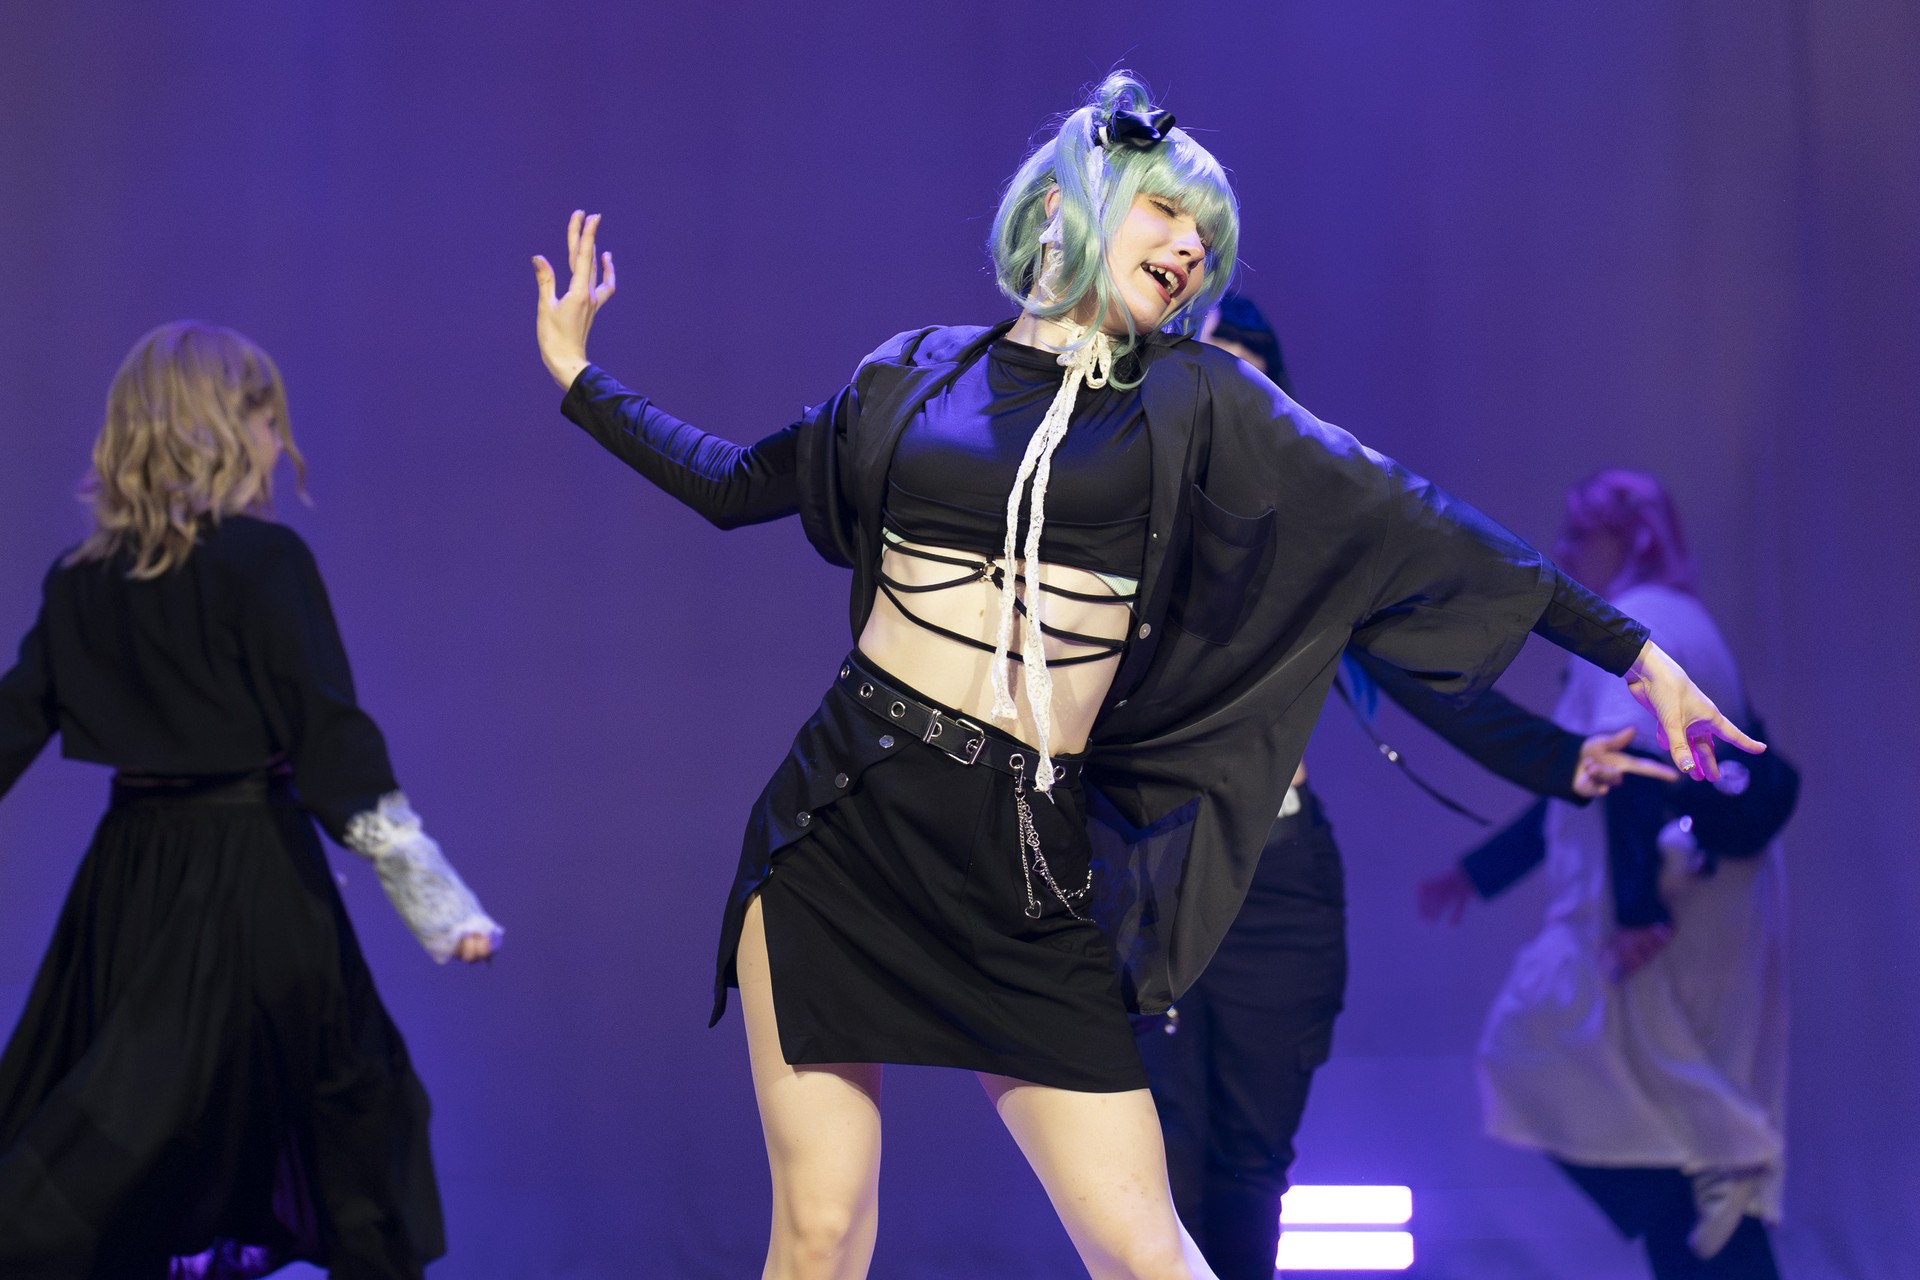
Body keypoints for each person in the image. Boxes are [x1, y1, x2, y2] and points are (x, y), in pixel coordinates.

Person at [530, 73, 1758, 1280]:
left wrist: (1636, 652)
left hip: (1020, 860)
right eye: (1166, 213)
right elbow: (736, 483)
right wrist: (583, 382)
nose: (1188, 250)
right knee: (822, 1234)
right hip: (839, 826)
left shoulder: (1197, 395)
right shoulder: (913, 373)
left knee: (1145, 1251)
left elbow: (1413, 517)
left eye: (1204, 238)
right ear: (1062, 207)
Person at [1128, 296, 1685, 1280]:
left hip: (1277, 874)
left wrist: (1559, 760)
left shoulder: (1309, 541)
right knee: (1154, 1162)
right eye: (1213, 373)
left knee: (1251, 1163)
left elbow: (1427, 678)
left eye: (1256, 381)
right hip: (1140, 870)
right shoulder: (1119, 519)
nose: (1235, 399)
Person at [0, 322, 503, 1279]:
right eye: (269, 421)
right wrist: (438, 903)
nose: (280, 445)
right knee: (342, 1105)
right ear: (224, 429)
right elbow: (329, 737)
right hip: (253, 882)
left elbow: (13, 721)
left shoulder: (80, 582)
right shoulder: (263, 563)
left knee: (129, 1117)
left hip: (130, 886)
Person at [1418, 470, 1789, 1279]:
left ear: (1635, 538)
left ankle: (1728, 1160)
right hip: (1692, 899)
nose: (1564, 549)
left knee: (1552, 1053)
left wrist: (1638, 913)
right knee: (1650, 1105)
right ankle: (1716, 1174)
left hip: (1661, 909)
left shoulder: (1638, 625)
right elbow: (1584, 779)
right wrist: (1479, 874)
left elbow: (1629, 770)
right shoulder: (1680, 620)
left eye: (1582, 533)